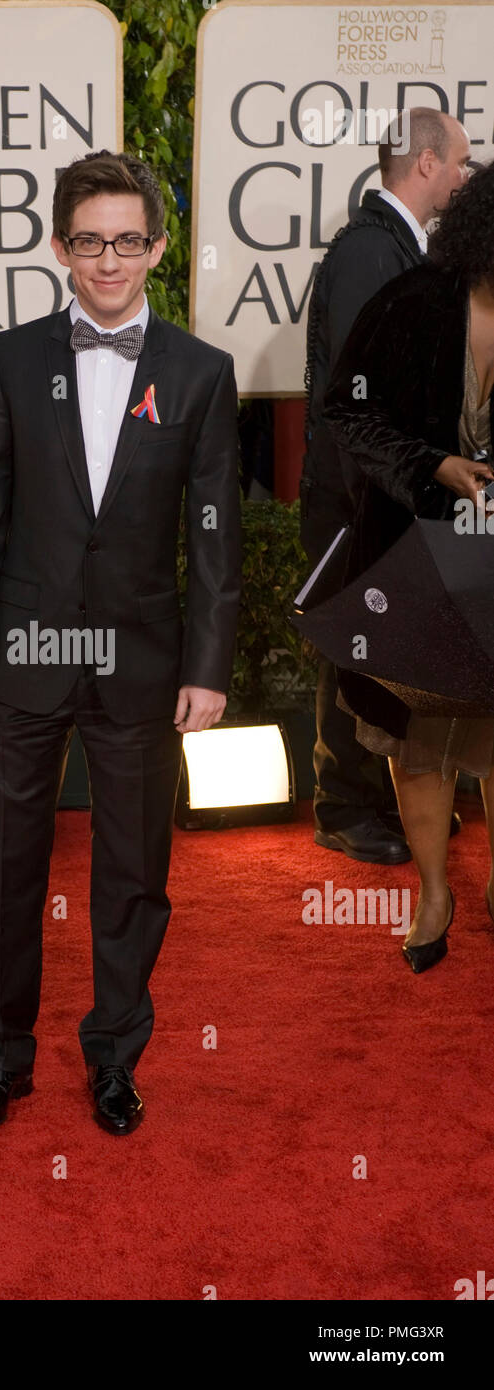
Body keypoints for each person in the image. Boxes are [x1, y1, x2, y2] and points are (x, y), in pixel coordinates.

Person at [0, 150, 241, 1134]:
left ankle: (114, 1058)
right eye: (87, 240)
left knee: (131, 873)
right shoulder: (12, 358)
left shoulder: (201, 375)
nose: (107, 259)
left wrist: (206, 667)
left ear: (155, 246)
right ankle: (1, 1058)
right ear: (58, 246)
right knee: (7, 868)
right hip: (24, 653)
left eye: (126, 240)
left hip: (145, 666)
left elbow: (213, 537)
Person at [322, 157, 494, 973]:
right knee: (419, 739)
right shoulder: (413, 301)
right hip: (414, 558)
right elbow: (346, 411)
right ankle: (433, 892)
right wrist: (431, 466)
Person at [301, 107, 471, 865]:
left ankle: (390, 799)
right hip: (356, 504)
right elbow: (358, 403)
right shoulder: (371, 254)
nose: (465, 178)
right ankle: (342, 806)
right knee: (353, 646)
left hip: (378, 500)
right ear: (426, 163)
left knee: (384, 652)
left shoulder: (396, 250)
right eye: (461, 163)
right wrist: (385, 510)